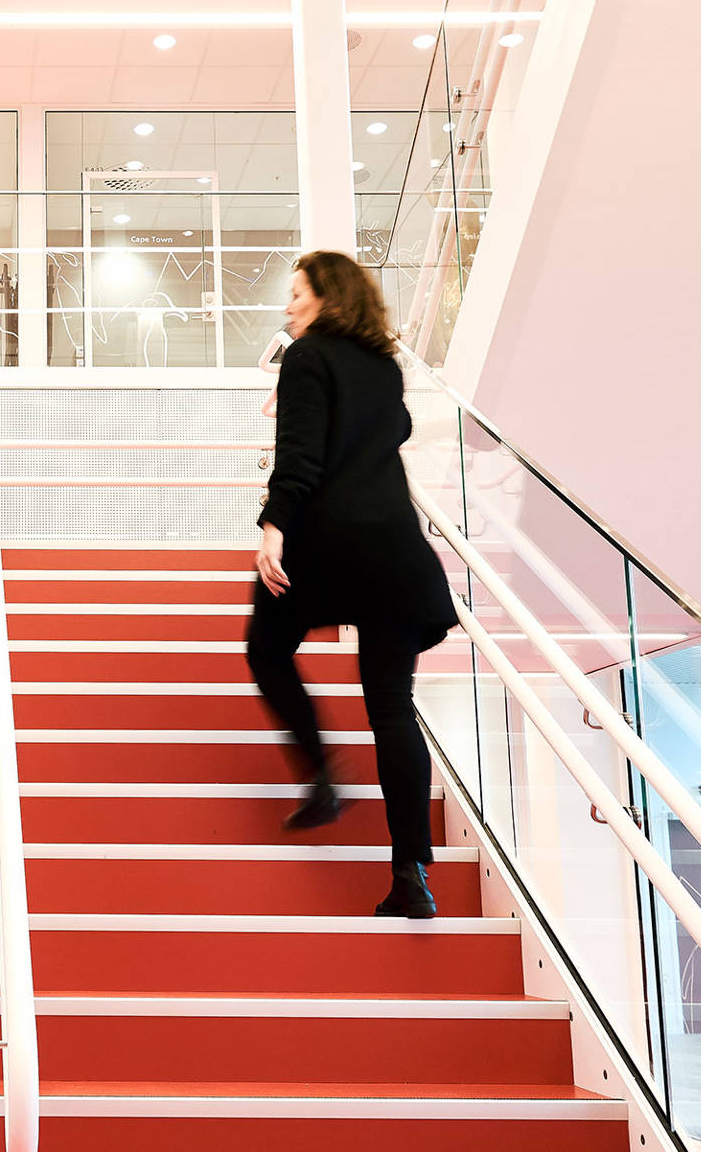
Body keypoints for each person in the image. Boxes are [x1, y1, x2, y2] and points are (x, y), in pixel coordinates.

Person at [248, 252, 456, 920]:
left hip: (329, 546)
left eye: (297, 294)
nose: (289, 307)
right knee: (391, 705)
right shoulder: (383, 365)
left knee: (266, 648)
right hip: (396, 551)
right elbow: (394, 428)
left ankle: (322, 777)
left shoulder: (308, 357)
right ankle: (411, 876)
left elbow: (301, 453)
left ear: (327, 298)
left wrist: (274, 525)